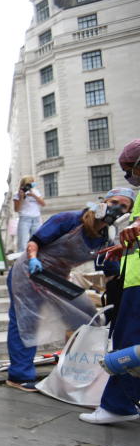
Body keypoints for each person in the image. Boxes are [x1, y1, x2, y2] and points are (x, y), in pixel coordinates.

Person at [5, 187, 135, 391]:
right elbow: (35, 241)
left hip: (57, 277)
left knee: (88, 318)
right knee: (27, 320)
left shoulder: (106, 237)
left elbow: (109, 268)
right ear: (103, 202)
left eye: (123, 206)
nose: (116, 208)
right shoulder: (69, 219)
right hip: (31, 271)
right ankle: (19, 376)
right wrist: (32, 260)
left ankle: (72, 365)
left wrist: (118, 288)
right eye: (113, 203)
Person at [80, 140, 140, 424]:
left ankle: (118, 405)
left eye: (131, 169)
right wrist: (124, 245)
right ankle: (121, 403)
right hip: (128, 279)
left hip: (134, 282)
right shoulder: (100, 216)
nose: (130, 175)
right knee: (129, 343)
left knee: (128, 344)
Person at [13, 176, 45, 250]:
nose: (33, 183)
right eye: (31, 182)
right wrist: (21, 197)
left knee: (36, 242)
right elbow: (16, 209)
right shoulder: (17, 194)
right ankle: (22, 260)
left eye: (33, 181)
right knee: (22, 243)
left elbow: (43, 204)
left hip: (36, 219)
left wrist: (33, 195)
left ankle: (34, 258)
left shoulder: (35, 191)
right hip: (25, 219)